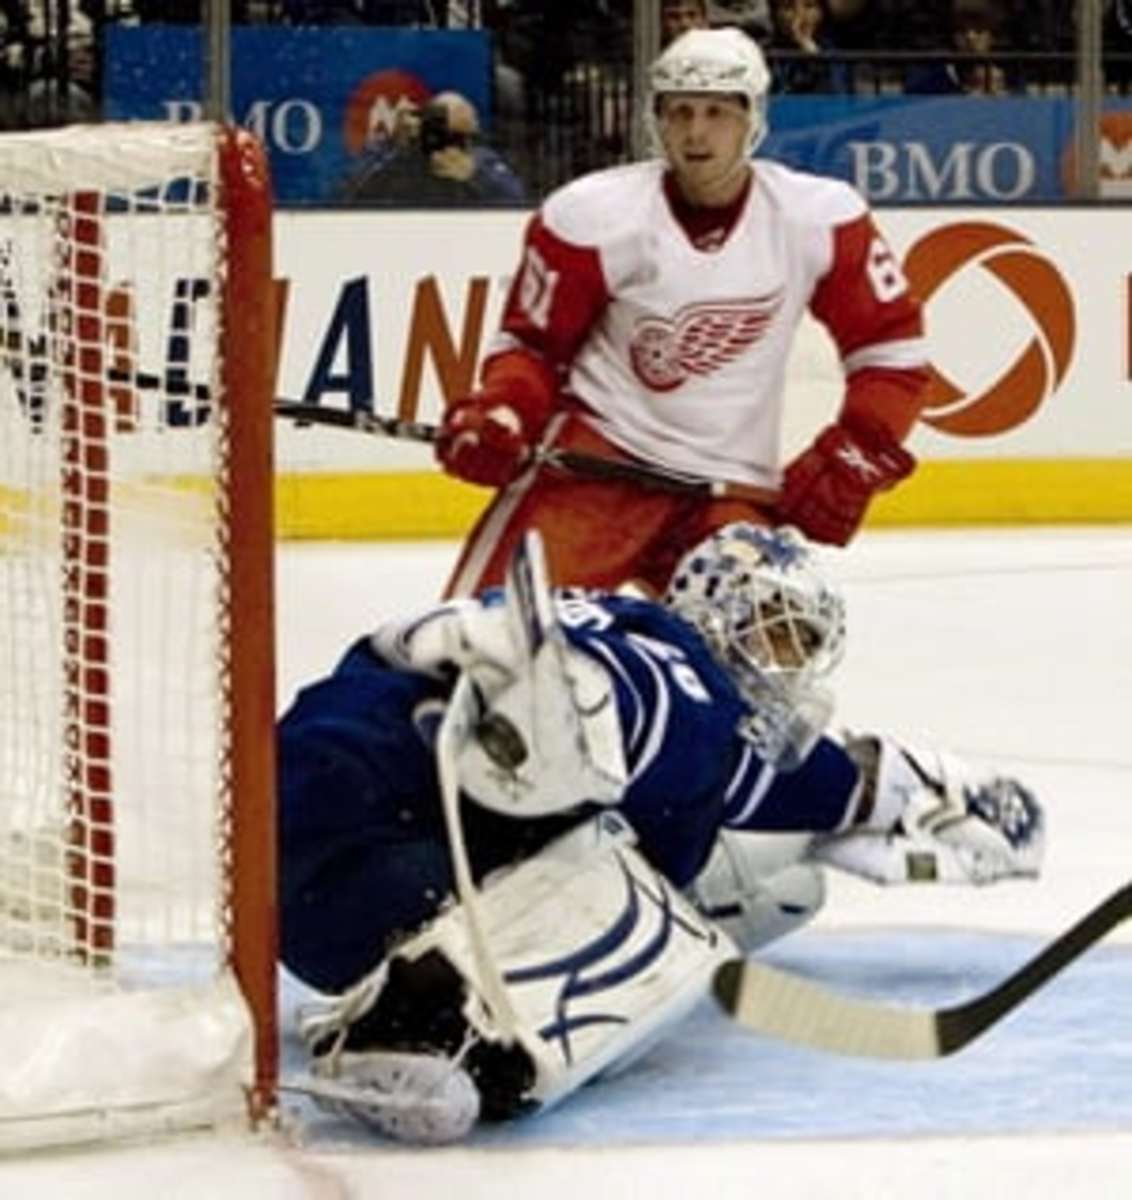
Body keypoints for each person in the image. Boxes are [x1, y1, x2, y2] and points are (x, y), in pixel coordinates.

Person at [278, 524, 1044, 1142]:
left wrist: (909, 789)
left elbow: (396, 647)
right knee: (662, 928)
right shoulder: (678, 681)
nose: (784, 669)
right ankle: (419, 1029)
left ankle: (415, 994)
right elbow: (646, 704)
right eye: (776, 637)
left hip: (286, 825)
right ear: (717, 612)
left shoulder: (610, 622)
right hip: (367, 862)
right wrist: (571, 710)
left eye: (799, 650)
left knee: (752, 873)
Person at [433, 27, 928, 599]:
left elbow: (892, 351)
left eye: (717, 112)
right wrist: (505, 410)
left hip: (727, 495)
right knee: (485, 640)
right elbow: (533, 349)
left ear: (753, 120)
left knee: (767, 655)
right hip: (591, 475)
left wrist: (858, 447)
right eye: (680, 111)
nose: (696, 132)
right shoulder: (594, 217)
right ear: (657, 119)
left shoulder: (818, 219)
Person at [339, 90, 527, 207]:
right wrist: (394, 145)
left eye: (458, 136)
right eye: (439, 130)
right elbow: (346, 196)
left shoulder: (482, 161)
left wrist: (475, 175)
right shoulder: (399, 155)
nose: (446, 143)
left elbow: (517, 201)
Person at [764, 0, 850, 93]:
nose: (800, 16)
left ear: (822, 13)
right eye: (788, 7)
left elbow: (837, 96)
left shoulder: (833, 54)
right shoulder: (764, 53)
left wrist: (814, 56)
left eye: (809, 6)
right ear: (775, 14)